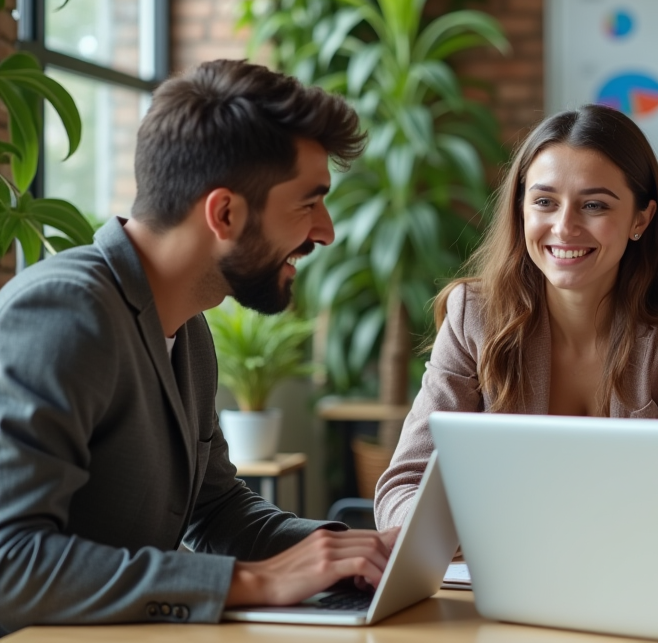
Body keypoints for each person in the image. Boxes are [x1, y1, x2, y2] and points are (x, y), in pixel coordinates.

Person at [0, 60, 399, 634]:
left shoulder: (187, 326)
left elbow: (213, 509)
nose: (326, 230)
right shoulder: (64, 312)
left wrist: (344, 551)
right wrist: (259, 583)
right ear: (225, 213)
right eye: (309, 203)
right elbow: (10, 563)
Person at [375, 105, 658, 528]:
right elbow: (403, 486)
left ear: (640, 219)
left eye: (594, 205)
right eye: (544, 202)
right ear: (522, 210)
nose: (564, 227)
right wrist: (460, 534)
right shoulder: (474, 315)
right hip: (499, 578)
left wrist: (600, 534)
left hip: (633, 576)